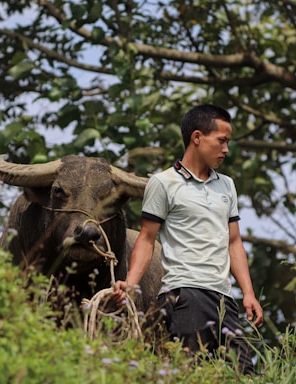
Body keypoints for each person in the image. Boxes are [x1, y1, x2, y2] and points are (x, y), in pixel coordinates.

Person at [112, 104, 263, 375]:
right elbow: (147, 239)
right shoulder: (164, 183)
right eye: (222, 141)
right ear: (197, 137)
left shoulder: (226, 185)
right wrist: (131, 284)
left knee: (244, 375)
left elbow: (234, 242)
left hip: (224, 299)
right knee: (192, 374)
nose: (226, 149)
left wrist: (248, 293)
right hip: (185, 294)